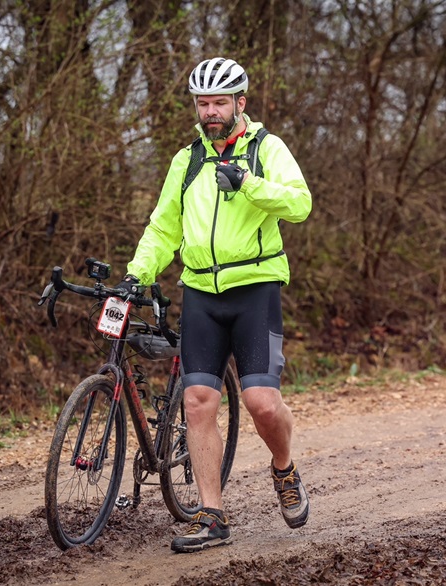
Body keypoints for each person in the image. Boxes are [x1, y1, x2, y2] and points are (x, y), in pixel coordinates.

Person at [117, 57, 312, 553]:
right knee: (198, 400)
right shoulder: (187, 161)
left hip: (255, 289)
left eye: (219, 102)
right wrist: (136, 275)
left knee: (261, 404)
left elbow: (300, 203)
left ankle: (284, 468)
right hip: (201, 291)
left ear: (239, 103)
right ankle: (212, 515)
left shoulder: (267, 149)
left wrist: (248, 183)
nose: (210, 111)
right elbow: (164, 228)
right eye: (203, 103)